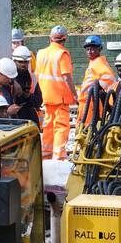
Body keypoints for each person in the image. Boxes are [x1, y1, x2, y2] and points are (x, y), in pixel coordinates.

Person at [36, 24, 77, 159]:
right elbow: (66, 76)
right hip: (60, 98)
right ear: (64, 39)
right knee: (61, 127)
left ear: (50, 39)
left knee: (48, 126)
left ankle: (46, 156)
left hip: (47, 97)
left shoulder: (41, 53)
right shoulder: (62, 53)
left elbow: (37, 75)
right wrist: (74, 94)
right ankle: (59, 157)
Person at [76, 34, 116, 126]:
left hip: (91, 105)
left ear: (99, 49)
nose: (90, 51)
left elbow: (110, 78)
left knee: (87, 132)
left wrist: (96, 89)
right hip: (87, 103)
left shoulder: (98, 62)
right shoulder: (94, 62)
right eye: (88, 49)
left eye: (93, 49)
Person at [12, 46, 43, 125]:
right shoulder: (7, 77)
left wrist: (28, 96)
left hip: (28, 114)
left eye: (25, 62)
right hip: (13, 116)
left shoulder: (33, 79)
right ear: (14, 61)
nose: (23, 64)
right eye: (20, 62)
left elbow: (38, 102)